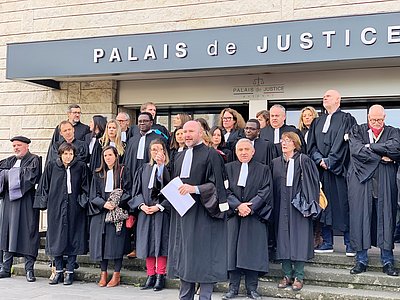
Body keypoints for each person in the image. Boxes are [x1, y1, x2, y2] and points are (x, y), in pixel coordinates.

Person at [168, 120, 228, 300]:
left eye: (191, 131)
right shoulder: (178, 156)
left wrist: (194, 189)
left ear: (201, 133)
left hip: (204, 216)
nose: (187, 135)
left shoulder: (212, 155)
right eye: (184, 131)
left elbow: (218, 186)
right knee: (185, 258)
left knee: (203, 259)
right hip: (183, 215)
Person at [348, 105, 400, 276]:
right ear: (368, 117)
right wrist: (383, 157)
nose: (376, 123)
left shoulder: (393, 132)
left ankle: (387, 261)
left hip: (385, 183)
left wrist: (370, 147)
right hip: (362, 184)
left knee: (386, 219)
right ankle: (361, 260)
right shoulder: (357, 130)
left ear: (384, 118)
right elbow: (356, 151)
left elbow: (396, 148)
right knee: (360, 219)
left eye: (379, 119)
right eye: (373, 119)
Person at [308, 90, 357, 255]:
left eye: (328, 96)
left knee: (343, 206)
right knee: (324, 205)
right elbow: (312, 145)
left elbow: (343, 144)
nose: (324, 97)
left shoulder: (347, 119)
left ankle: (350, 244)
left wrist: (330, 161)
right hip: (321, 172)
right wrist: (319, 159)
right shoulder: (317, 121)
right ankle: (327, 242)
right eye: (324, 96)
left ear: (338, 99)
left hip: (339, 171)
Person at [223, 138, 273, 300]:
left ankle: (252, 288)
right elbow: (224, 191)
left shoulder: (263, 169)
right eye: (240, 150)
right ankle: (233, 288)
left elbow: (266, 191)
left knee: (252, 252)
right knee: (233, 252)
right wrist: (238, 206)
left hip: (254, 216)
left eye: (246, 149)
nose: (243, 152)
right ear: (236, 152)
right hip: (234, 215)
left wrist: (250, 208)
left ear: (253, 151)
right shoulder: (228, 168)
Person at [34, 143, 89, 285]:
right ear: (60, 154)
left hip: (74, 208)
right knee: (56, 238)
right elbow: (44, 185)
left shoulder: (81, 167)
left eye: (70, 154)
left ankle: (70, 271)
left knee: (73, 237)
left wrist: (82, 202)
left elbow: (86, 186)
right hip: (56, 207)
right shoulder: (52, 166)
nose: (68, 156)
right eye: (65, 153)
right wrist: (43, 203)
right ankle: (58, 271)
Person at [271, 132, 319, 291]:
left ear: (295, 143)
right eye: (282, 140)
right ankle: (286, 274)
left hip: (299, 207)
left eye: (288, 141)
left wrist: (308, 205)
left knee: (299, 239)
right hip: (281, 206)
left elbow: (312, 184)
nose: (284, 143)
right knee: (283, 239)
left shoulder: (303, 160)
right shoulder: (275, 163)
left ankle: (299, 275)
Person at [130, 139, 171, 292]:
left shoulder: (169, 169)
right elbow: (137, 191)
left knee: (160, 243)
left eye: (159, 149)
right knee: (147, 243)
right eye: (153, 150)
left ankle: (161, 275)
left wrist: (159, 206)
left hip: (161, 212)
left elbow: (171, 191)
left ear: (164, 151)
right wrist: (142, 206)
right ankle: (150, 275)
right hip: (145, 211)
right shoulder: (143, 169)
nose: (156, 152)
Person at [88, 146, 132, 287]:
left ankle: (116, 274)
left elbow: (129, 190)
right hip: (101, 211)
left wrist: (116, 202)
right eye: (105, 155)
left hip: (117, 210)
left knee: (116, 244)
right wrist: (103, 204)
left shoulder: (123, 171)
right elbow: (93, 194)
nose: (108, 158)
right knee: (101, 243)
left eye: (110, 155)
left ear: (116, 156)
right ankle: (103, 273)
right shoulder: (98, 173)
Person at [0, 136, 41, 282]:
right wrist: (8, 174)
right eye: (14, 146)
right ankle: (5, 268)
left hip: (26, 205)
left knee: (28, 235)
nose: (16, 148)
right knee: (6, 234)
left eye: (19, 145)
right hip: (8, 205)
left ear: (27, 146)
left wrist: (7, 174)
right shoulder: (8, 160)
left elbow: (29, 178)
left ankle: (29, 270)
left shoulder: (34, 160)